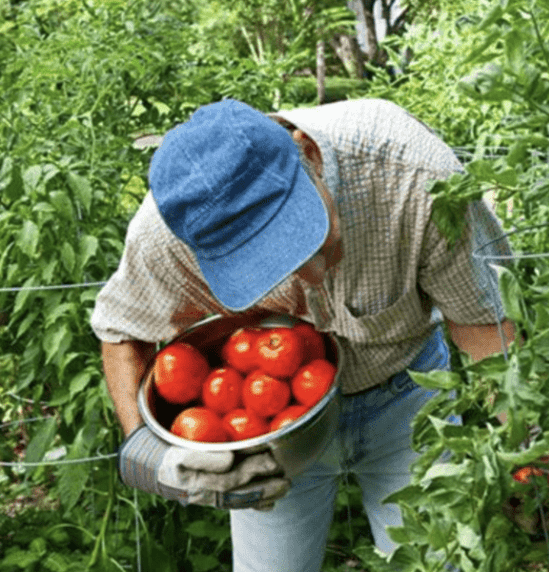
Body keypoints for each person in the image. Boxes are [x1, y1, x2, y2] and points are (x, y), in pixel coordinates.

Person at [90, 98, 515, 571]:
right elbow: (123, 332)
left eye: (304, 236)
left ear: (307, 153)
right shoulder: (170, 232)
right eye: (264, 264)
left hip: (410, 396)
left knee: (437, 562)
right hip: (267, 434)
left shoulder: (414, 177)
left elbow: (483, 325)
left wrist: (522, 435)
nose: (310, 275)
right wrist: (151, 456)